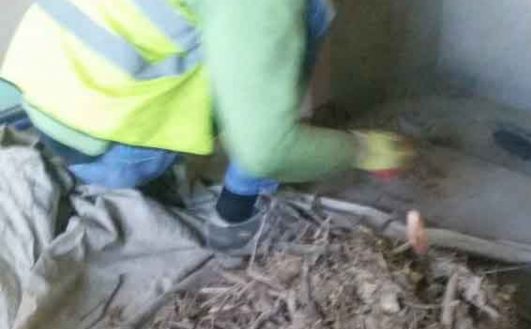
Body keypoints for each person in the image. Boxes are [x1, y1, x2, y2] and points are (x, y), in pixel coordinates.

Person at [0, 0, 412, 249]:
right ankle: (235, 215)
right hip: (106, 142)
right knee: (307, 16)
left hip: (39, 91)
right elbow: (264, 148)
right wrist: (360, 150)